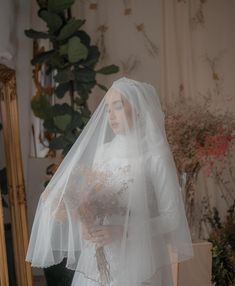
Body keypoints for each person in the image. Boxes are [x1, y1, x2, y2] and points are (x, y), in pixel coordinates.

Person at [26, 77, 194, 286]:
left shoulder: (155, 158)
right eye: (107, 109)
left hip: (138, 261)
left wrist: (123, 231)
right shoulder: (103, 152)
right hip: (97, 259)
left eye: (118, 107)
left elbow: (172, 218)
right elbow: (91, 199)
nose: (111, 116)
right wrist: (85, 224)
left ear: (138, 109)